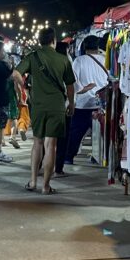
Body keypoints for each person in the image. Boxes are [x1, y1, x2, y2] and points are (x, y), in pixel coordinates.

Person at [14, 28, 74, 194]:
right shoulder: (63, 59)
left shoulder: (32, 57)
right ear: (53, 41)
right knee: (51, 145)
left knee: (37, 143)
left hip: (38, 105)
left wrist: (24, 87)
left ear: (40, 41)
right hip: (57, 106)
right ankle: (46, 186)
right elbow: (70, 86)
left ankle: (33, 181)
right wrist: (72, 104)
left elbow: (16, 73)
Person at [66, 35, 109, 167]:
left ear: (84, 47)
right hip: (102, 104)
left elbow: (73, 82)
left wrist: (74, 98)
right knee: (103, 134)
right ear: (97, 47)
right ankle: (106, 158)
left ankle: (68, 157)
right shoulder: (105, 60)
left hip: (83, 104)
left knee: (75, 133)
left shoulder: (78, 61)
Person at [53, 41, 74, 176]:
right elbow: (70, 86)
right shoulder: (67, 62)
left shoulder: (47, 62)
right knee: (62, 139)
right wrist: (71, 103)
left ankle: (38, 167)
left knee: (45, 140)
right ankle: (58, 168)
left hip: (46, 105)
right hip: (63, 105)